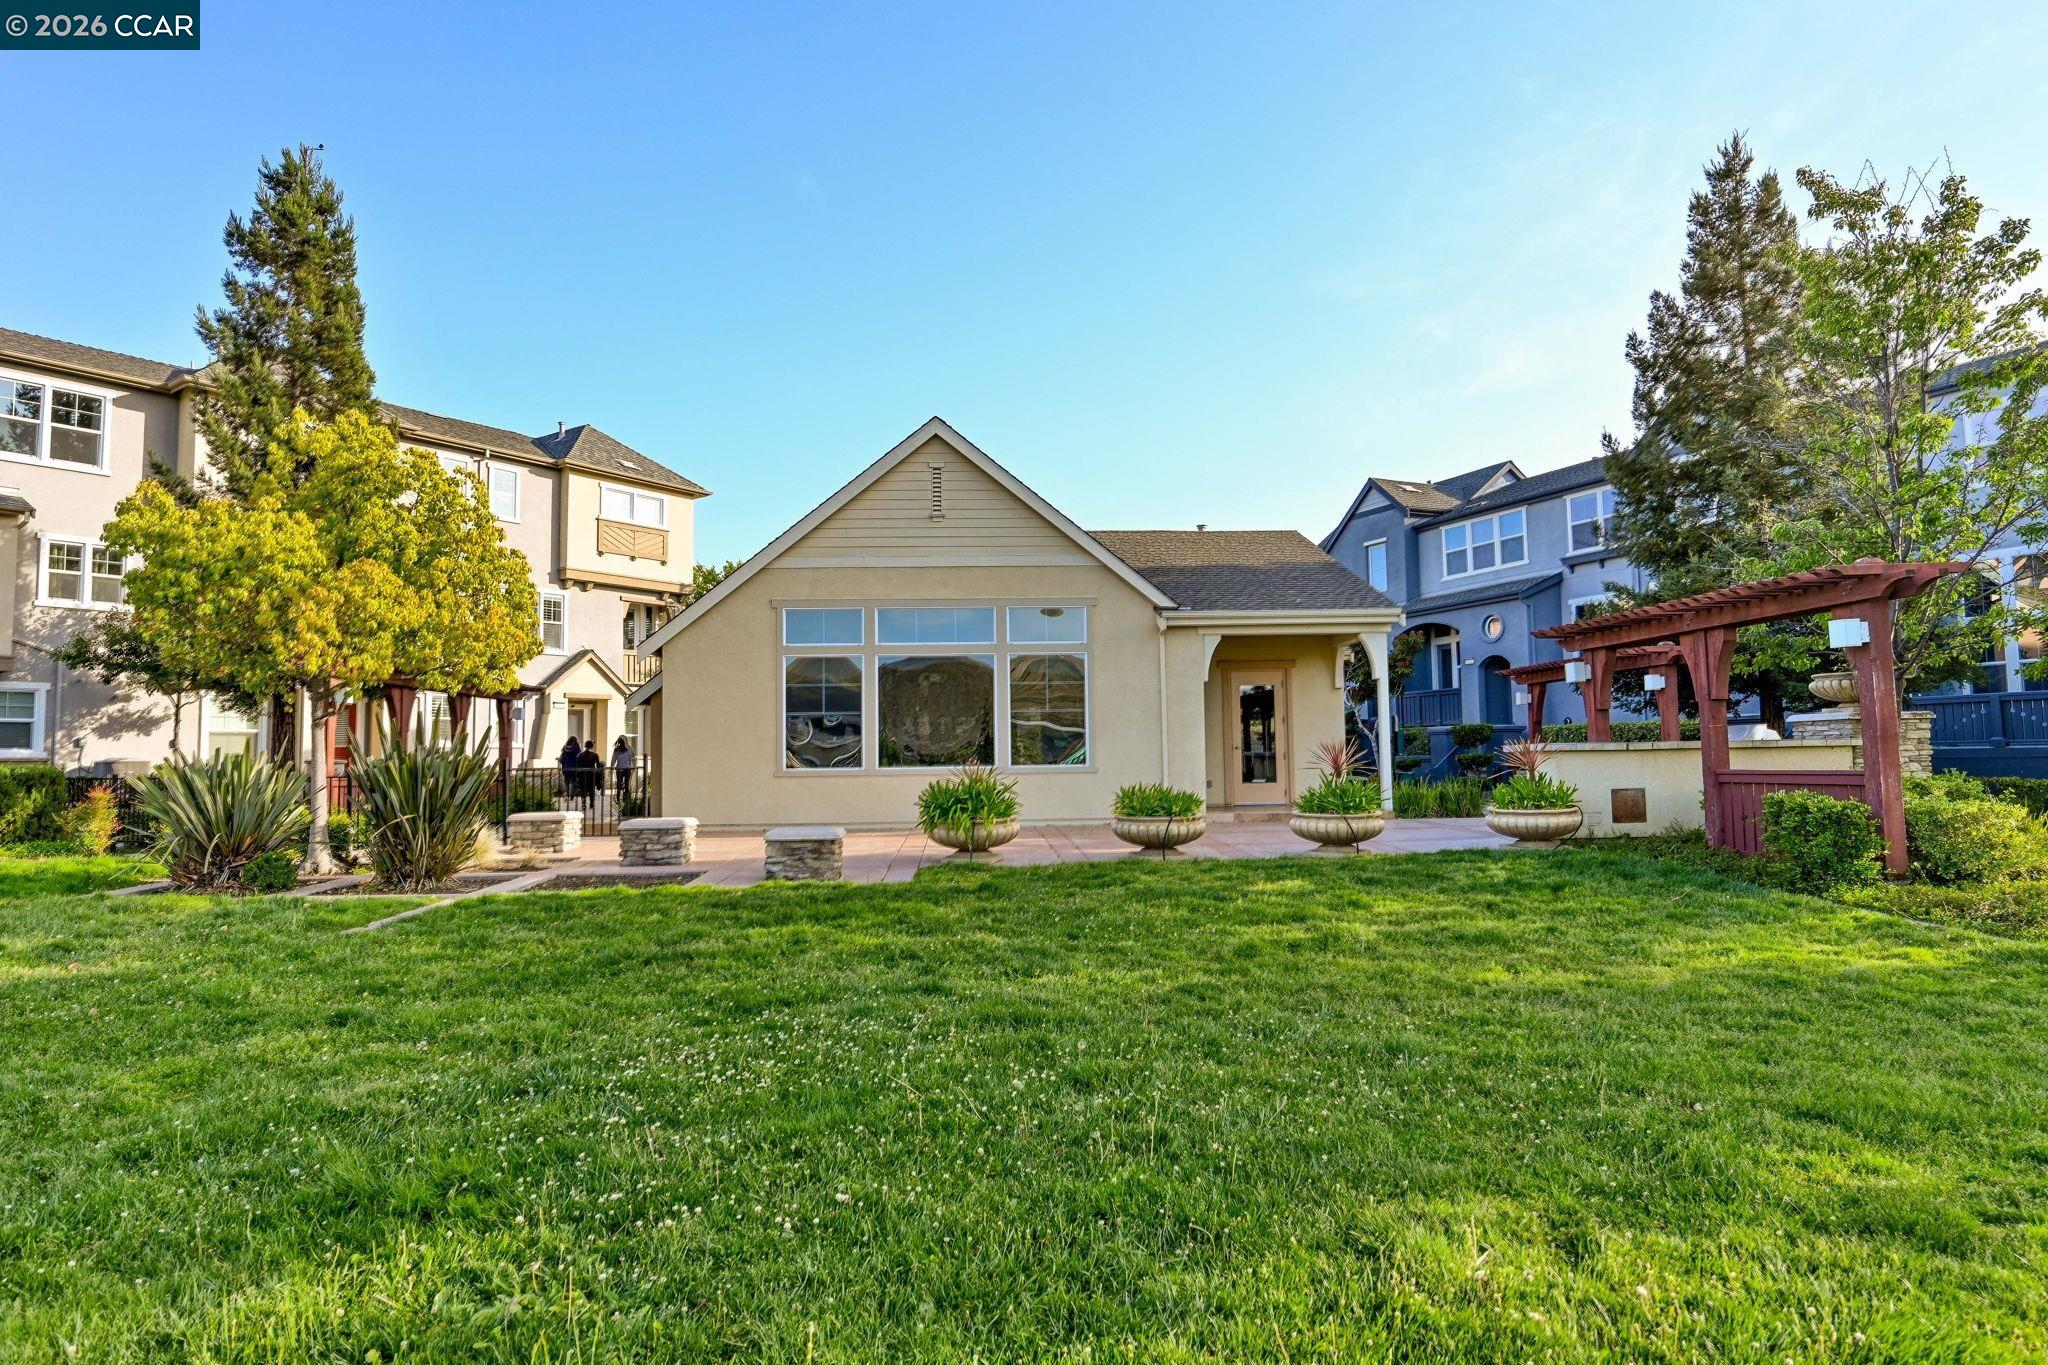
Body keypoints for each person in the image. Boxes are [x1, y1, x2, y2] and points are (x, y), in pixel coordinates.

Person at [611, 736, 636, 801]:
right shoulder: (628, 749)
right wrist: (633, 767)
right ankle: (626, 798)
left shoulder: (616, 750)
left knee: (619, 784)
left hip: (619, 769)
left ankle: (618, 799)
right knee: (626, 784)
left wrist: (612, 767)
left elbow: (613, 759)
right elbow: (632, 758)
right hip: (627, 769)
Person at [558, 734, 581, 799]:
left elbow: (561, 759)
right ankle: (572, 794)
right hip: (574, 768)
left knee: (567, 781)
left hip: (566, 768)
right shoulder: (577, 749)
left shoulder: (564, 749)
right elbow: (579, 758)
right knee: (573, 781)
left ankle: (567, 794)